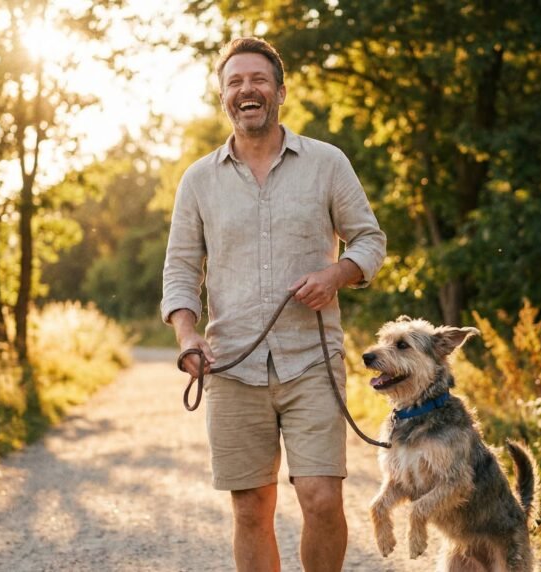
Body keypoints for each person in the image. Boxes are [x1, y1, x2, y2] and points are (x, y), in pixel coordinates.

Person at [161, 37, 386, 572]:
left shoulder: (327, 163)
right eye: (234, 82)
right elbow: (180, 270)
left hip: (312, 358)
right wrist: (187, 335)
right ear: (224, 99)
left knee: (322, 500)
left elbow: (370, 241)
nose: (247, 90)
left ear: (280, 91)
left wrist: (337, 273)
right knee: (250, 509)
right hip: (232, 366)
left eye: (258, 80)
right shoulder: (197, 180)